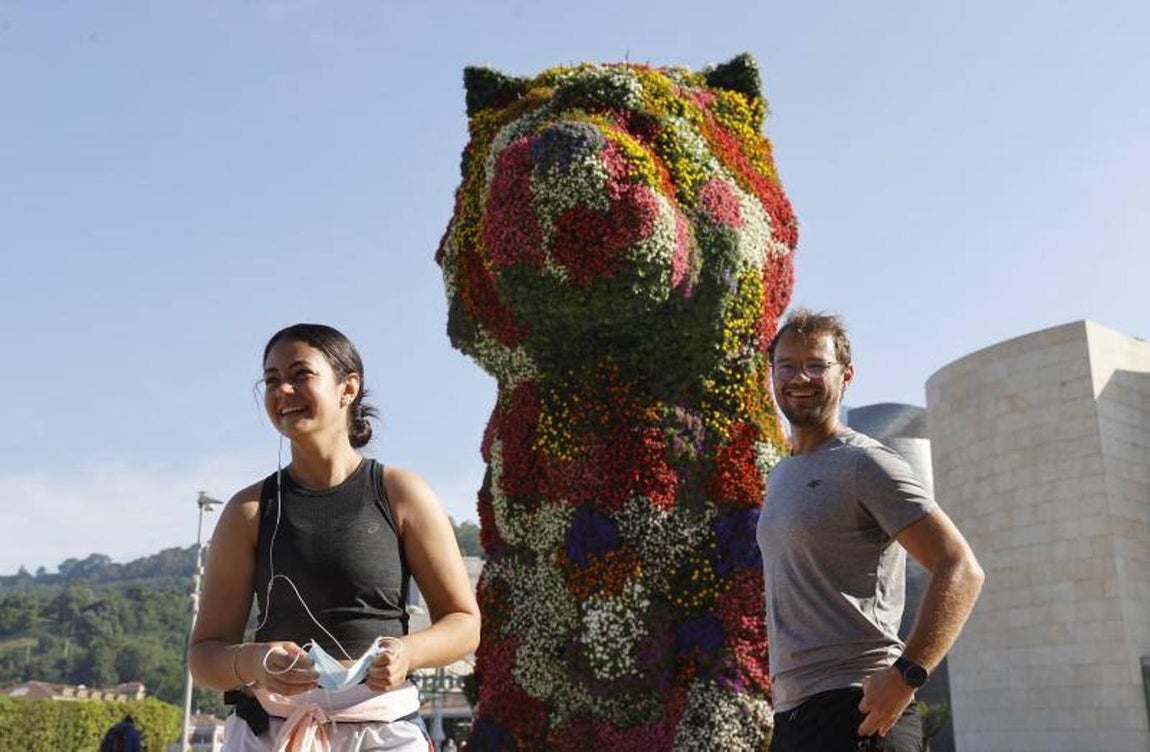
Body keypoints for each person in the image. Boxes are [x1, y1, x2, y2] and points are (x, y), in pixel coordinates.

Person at [190, 323, 481, 751]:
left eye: (299, 374)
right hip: (272, 733)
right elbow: (205, 655)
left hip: (382, 733)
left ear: (348, 388)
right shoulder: (248, 511)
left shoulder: (402, 494)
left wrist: (407, 653)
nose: (282, 391)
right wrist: (254, 660)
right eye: (271, 380)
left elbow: (464, 622)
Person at [757, 309, 984, 752]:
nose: (799, 377)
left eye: (816, 365)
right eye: (787, 365)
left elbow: (961, 568)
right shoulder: (781, 475)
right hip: (795, 715)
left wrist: (908, 675)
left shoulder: (865, 462)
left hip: (860, 713)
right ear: (772, 375)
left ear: (846, 375)